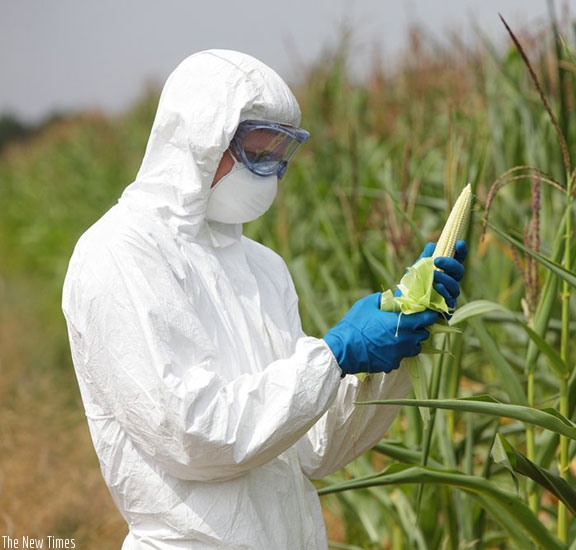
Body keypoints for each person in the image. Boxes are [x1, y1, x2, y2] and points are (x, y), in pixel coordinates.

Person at [61, 49, 468, 549]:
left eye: (282, 153)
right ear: (200, 139)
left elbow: (311, 448)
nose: (271, 170)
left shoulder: (262, 266)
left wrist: (390, 348)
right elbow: (191, 436)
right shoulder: (119, 254)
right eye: (259, 152)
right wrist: (334, 354)